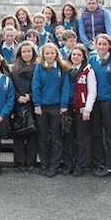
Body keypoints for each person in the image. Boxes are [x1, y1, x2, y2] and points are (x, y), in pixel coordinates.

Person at [32, 43, 71, 178]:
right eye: (47, 53)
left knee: (56, 138)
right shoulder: (39, 67)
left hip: (56, 107)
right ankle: (44, 163)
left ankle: (54, 165)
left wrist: (64, 105)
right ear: (43, 55)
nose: (49, 56)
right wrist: (37, 105)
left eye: (52, 53)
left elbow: (66, 87)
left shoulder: (62, 68)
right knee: (42, 138)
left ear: (56, 54)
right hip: (42, 108)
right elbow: (35, 86)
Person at [88, 34, 111, 177]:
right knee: (96, 133)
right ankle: (99, 163)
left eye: (104, 44)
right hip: (94, 101)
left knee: (109, 134)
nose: (101, 47)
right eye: (99, 44)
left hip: (108, 102)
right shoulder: (91, 60)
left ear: (109, 45)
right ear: (95, 45)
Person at [66, 44, 97, 176]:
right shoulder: (67, 70)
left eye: (79, 55)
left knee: (80, 139)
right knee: (68, 138)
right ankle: (68, 164)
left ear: (84, 57)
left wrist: (87, 110)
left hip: (81, 109)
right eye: (74, 54)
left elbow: (92, 91)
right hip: (68, 108)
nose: (76, 57)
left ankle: (79, 165)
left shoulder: (88, 71)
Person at [10, 41, 39, 172]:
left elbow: (40, 86)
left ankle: (30, 161)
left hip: (33, 104)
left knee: (32, 135)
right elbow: (10, 87)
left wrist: (30, 96)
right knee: (19, 135)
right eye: (24, 52)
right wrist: (18, 96)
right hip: (18, 105)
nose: (26, 54)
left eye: (29, 51)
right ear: (20, 53)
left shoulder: (38, 67)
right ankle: (20, 162)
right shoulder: (14, 68)